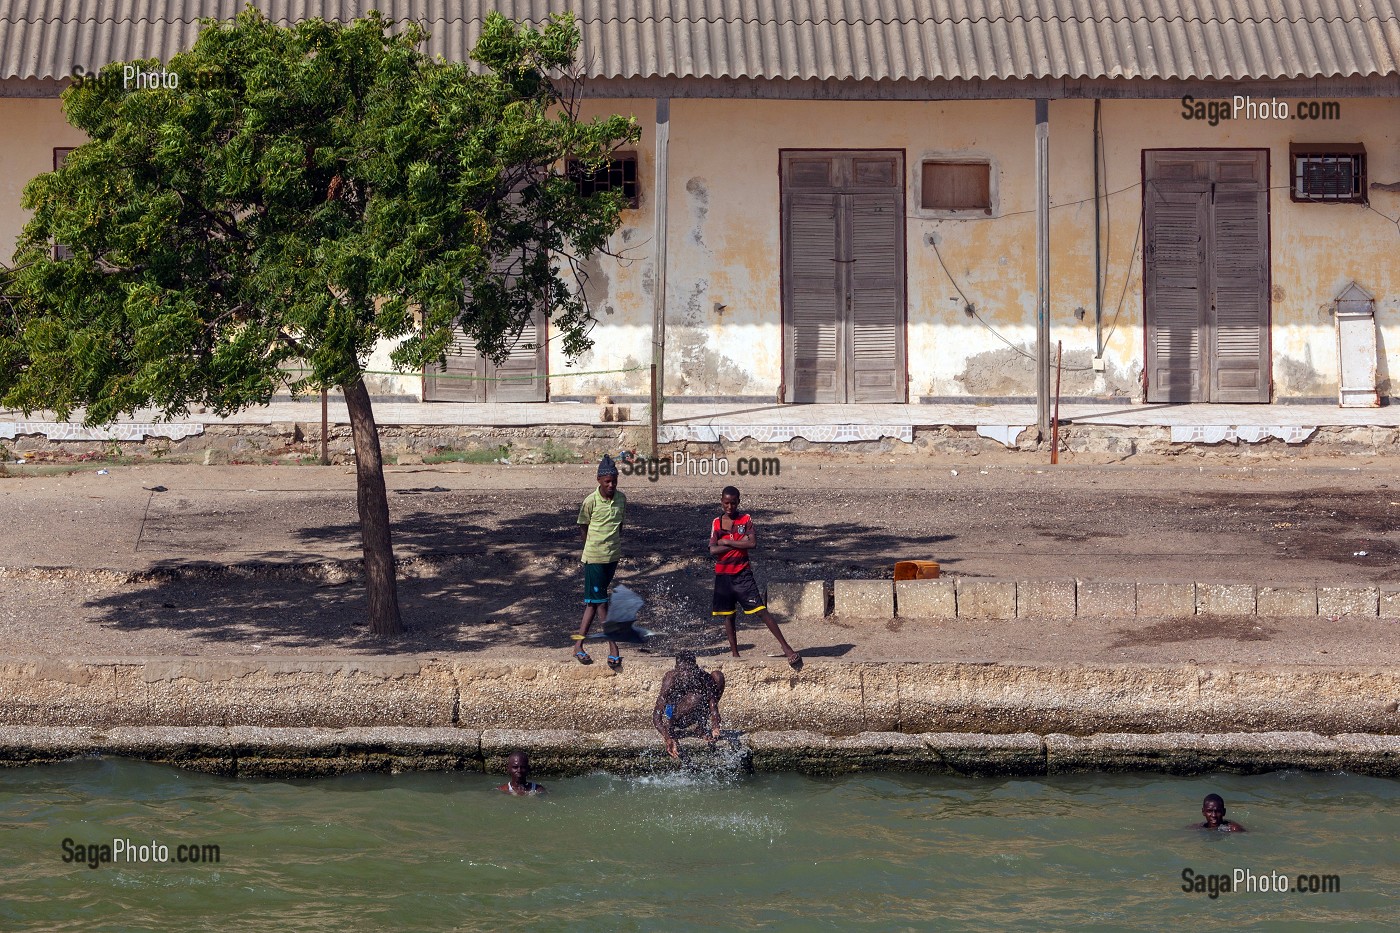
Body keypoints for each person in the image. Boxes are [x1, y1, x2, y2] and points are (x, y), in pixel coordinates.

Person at [710, 485, 802, 669]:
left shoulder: (746, 519)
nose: (730, 507)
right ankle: (735, 653)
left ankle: (787, 648)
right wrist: (738, 543)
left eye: (733, 503)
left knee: (761, 610)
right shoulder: (717, 523)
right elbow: (713, 549)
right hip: (723, 576)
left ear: (738, 502)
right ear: (721, 502)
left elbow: (752, 543)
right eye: (726, 503)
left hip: (743, 573)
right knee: (728, 616)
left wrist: (726, 541)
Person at [573, 455, 626, 668]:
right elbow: (583, 525)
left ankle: (578, 645)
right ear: (599, 480)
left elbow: (620, 524)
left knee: (593, 604)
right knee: (601, 602)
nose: (611, 485)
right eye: (607, 482)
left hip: (612, 557)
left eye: (614, 481)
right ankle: (613, 647)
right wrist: (591, 546)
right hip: (594, 558)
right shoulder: (590, 501)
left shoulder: (622, 499)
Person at [653, 652, 726, 760]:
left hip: (692, 714)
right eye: (682, 670)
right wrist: (667, 736)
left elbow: (712, 703)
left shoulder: (702, 676)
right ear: (676, 668)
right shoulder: (670, 678)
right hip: (672, 716)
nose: (685, 674)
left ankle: (700, 728)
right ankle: (671, 730)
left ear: (695, 668)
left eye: (688, 670)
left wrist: (715, 726)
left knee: (717, 676)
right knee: (695, 697)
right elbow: (657, 715)